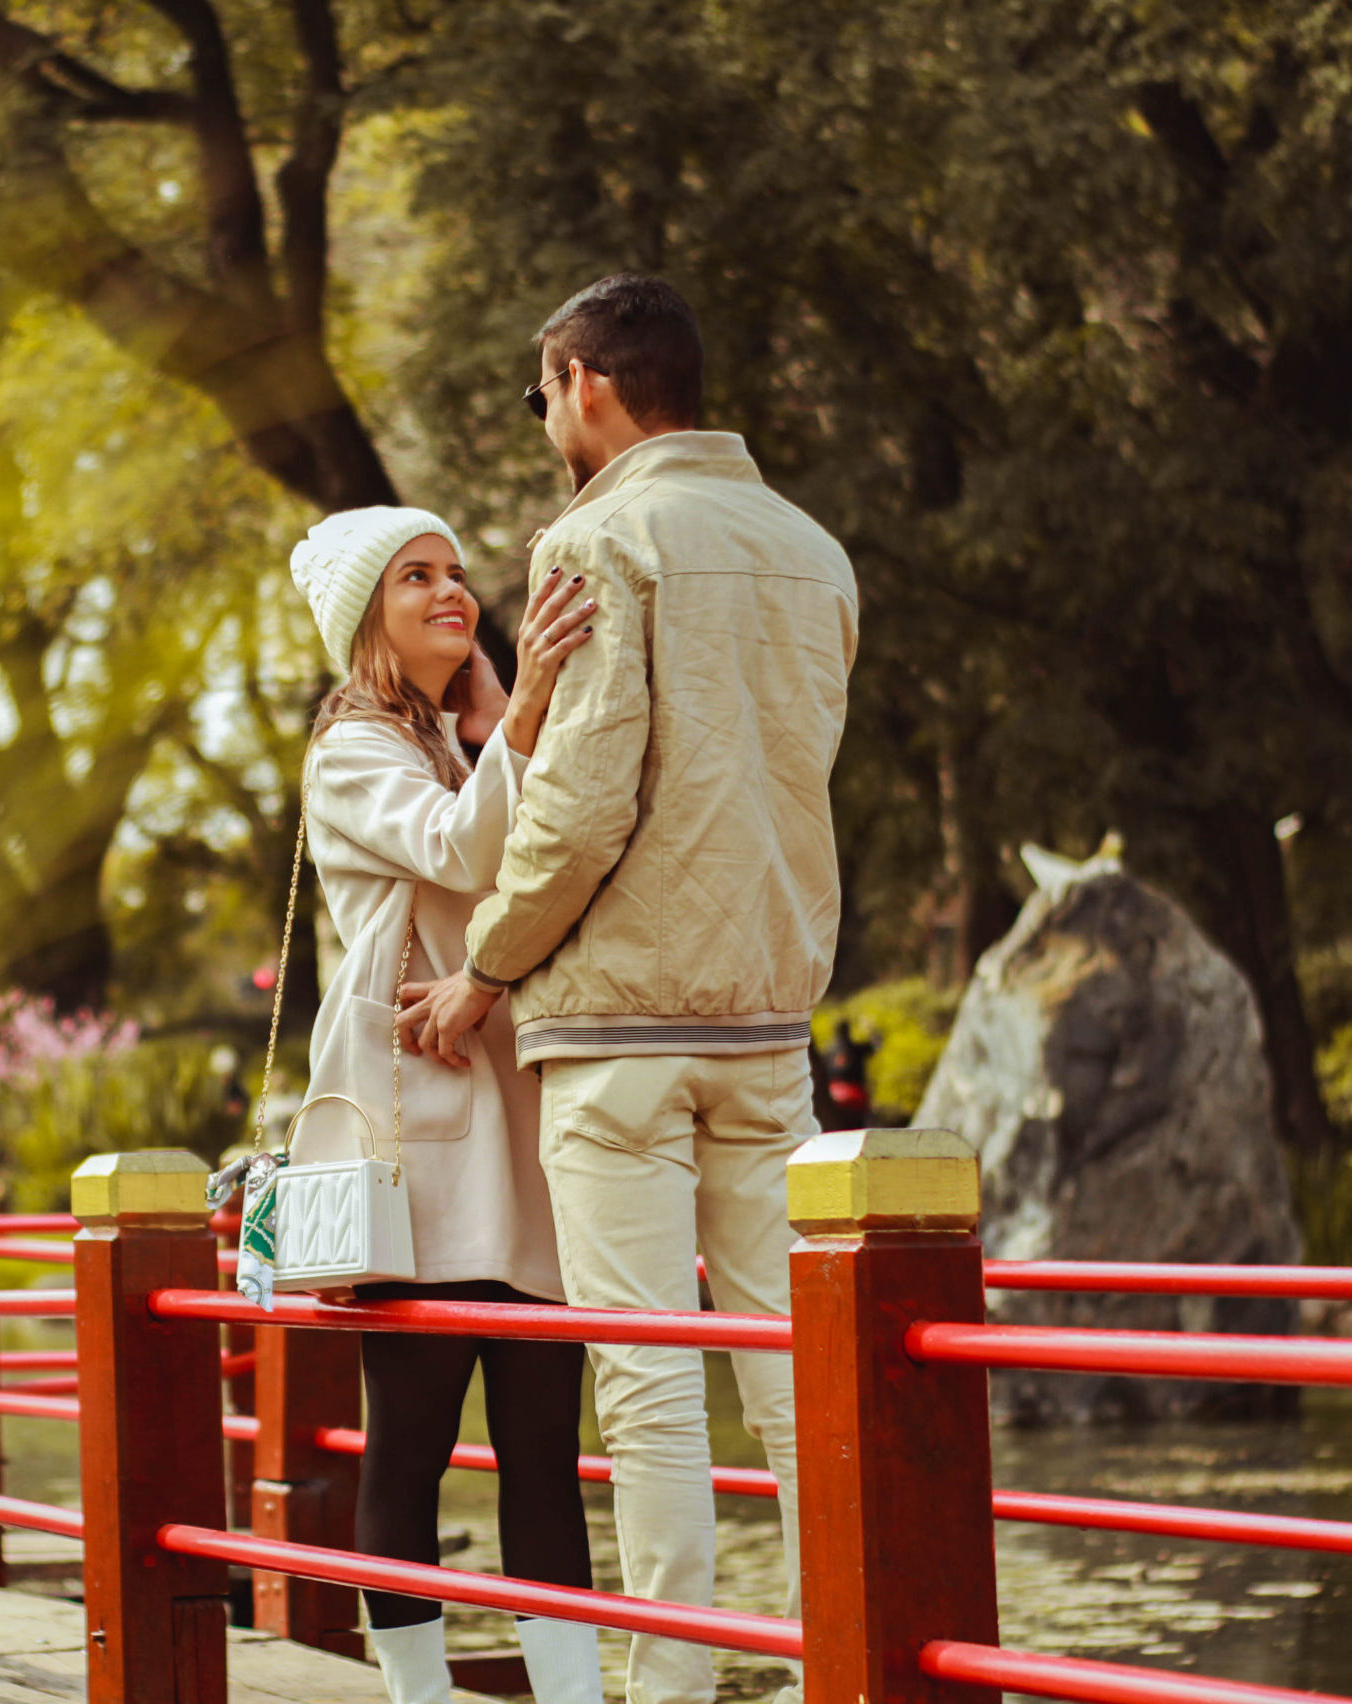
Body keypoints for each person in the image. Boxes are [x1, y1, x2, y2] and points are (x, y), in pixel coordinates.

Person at [399, 275, 860, 1704]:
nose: (546, 422)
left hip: (615, 1033)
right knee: (796, 1373)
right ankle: (842, 1664)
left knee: (654, 1377)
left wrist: (482, 971)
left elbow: (583, 806)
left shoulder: (598, 540)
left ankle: (669, 1687)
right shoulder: (811, 549)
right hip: (767, 1015)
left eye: (543, 396)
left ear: (585, 381)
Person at [287, 505, 602, 1704]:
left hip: (515, 1121)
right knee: (408, 1446)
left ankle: (570, 1697)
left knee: (542, 1449)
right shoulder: (351, 749)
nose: (449, 590)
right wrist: (513, 718)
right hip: (415, 1131)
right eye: (414, 576)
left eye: (455, 572)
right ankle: (418, 1701)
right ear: (367, 612)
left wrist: (488, 726)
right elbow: (461, 854)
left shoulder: (459, 742)